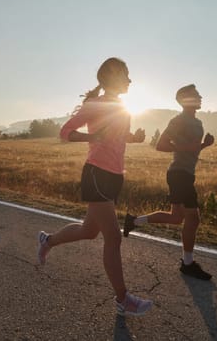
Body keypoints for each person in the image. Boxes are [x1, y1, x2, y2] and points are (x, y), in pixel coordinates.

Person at [37, 57, 153, 316]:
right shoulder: (96, 105)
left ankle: (48, 241)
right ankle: (123, 300)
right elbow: (65, 131)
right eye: (126, 74)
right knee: (112, 237)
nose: (130, 80)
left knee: (89, 231)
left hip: (114, 177)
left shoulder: (122, 107)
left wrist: (135, 138)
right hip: (96, 175)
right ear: (112, 77)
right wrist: (92, 136)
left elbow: (118, 137)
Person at [124, 84, 214, 280]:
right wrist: (191, 145)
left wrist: (203, 145)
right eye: (196, 95)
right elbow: (161, 145)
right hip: (179, 173)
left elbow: (192, 150)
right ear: (185, 100)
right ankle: (187, 264)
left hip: (186, 173)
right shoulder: (178, 121)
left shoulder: (197, 123)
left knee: (176, 217)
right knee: (193, 218)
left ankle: (134, 221)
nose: (200, 96)